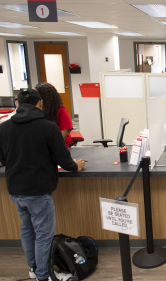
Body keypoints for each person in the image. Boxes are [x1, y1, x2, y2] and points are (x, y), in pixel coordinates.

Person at [0, 89, 85, 281]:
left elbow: (3, 158)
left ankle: (33, 268)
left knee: (27, 230)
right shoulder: (47, 127)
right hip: (38, 191)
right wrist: (75, 166)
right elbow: (64, 160)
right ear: (39, 104)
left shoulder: (4, 128)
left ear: (18, 105)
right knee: (43, 235)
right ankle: (43, 276)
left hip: (15, 190)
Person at [35, 83, 73, 148]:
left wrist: (51, 145)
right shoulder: (39, 110)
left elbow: (65, 132)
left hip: (58, 145)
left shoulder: (61, 110)